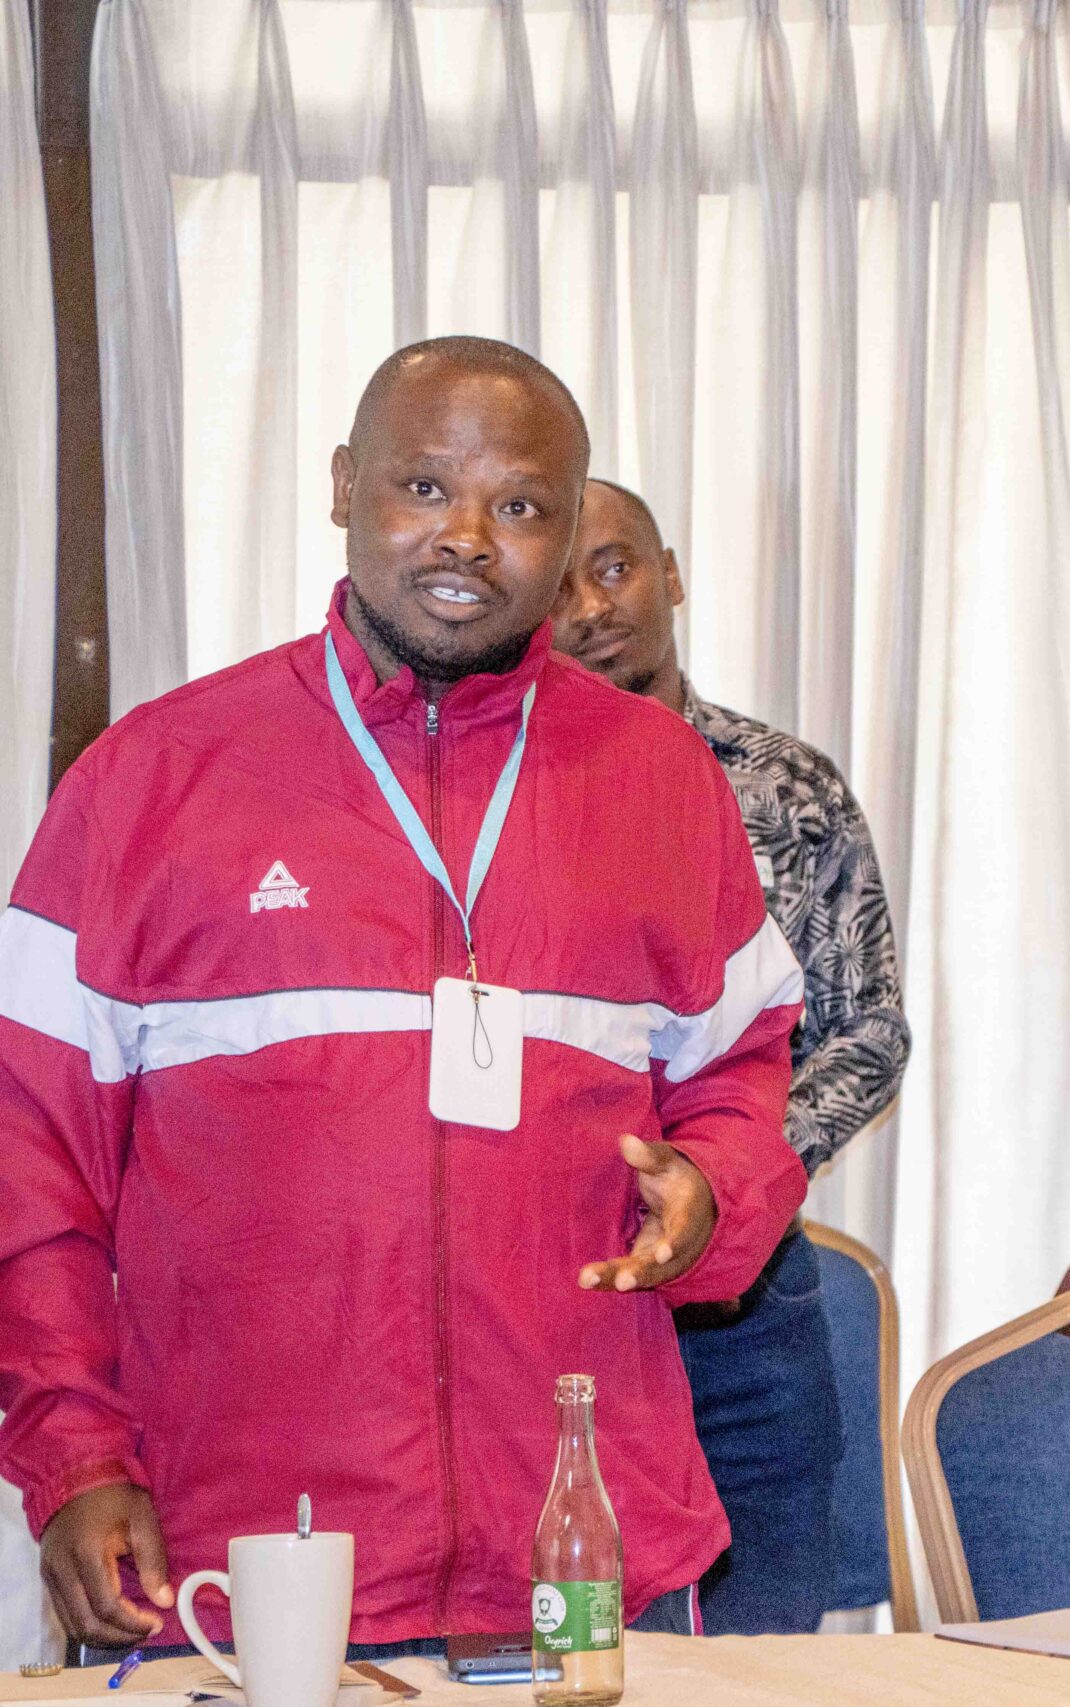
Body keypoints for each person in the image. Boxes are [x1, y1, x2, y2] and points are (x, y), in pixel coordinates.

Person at [0, 337, 807, 1654]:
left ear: (571, 531)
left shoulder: (662, 781)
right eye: (424, 486)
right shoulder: (152, 776)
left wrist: (714, 1188)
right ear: (342, 485)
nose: (468, 537)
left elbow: (740, 1073)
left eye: (522, 504)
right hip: (244, 1563)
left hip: (584, 1545)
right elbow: (28, 1160)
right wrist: (72, 1452)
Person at [551, 477, 910, 1634]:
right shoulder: (506, 799)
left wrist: (722, 1171)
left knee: (766, 1651)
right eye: (559, 587)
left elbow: (869, 1029)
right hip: (563, 1285)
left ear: (672, 574)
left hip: (749, 1296)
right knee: (586, 1645)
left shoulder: (783, 788)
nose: (591, 607)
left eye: (616, 568)